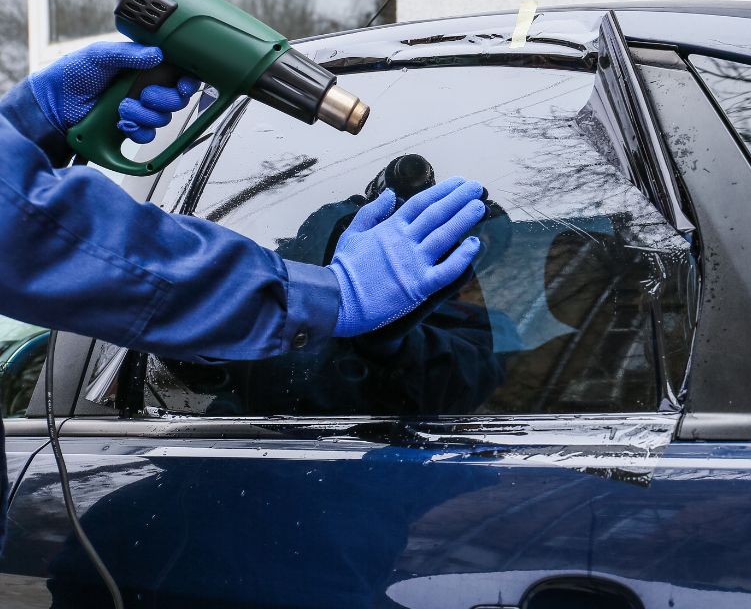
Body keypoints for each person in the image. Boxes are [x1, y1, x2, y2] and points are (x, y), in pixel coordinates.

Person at [0, 41, 487, 548]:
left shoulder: (445, 291)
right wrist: (327, 294)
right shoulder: (305, 243)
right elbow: (30, 227)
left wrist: (27, 120)